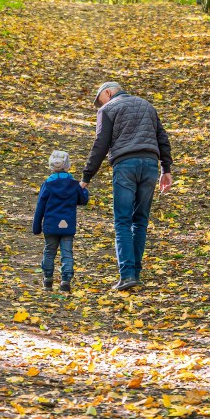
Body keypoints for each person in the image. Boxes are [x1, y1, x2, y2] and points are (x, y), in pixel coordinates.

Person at [81, 81, 172, 292]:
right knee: (140, 221)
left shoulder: (108, 109)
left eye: (100, 99)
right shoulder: (147, 105)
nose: (99, 104)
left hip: (125, 166)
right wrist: (165, 169)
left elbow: (100, 144)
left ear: (108, 92)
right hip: (150, 164)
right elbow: (162, 138)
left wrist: (86, 177)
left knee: (122, 221)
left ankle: (127, 275)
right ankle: (135, 273)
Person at [32, 149, 88, 293]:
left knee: (49, 251)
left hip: (51, 225)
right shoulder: (74, 184)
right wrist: (84, 190)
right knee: (67, 252)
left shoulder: (48, 184)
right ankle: (65, 281)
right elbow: (83, 200)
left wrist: (36, 226)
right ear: (68, 165)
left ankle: (48, 280)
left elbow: (40, 206)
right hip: (68, 225)